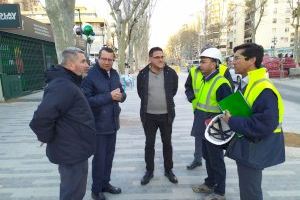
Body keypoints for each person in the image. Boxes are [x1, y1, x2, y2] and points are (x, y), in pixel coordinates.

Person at [29, 47, 96, 200]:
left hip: (75, 149)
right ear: (71, 65)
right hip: (71, 152)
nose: (87, 65)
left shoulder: (69, 82)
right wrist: (46, 137)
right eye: (83, 61)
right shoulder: (63, 85)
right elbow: (41, 119)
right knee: (72, 193)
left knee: (75, 191)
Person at [223, 43, 285, 200]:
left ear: (252, 60)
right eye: (232, 58)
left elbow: (264, 125)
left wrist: (232, 121)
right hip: (248, 146)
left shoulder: (264, 88)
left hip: (255, 147)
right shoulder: (248, 83)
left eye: (237, 58)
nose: (233, 62)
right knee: (247, 189)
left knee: (250, 192)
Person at [81, 47, 126, 200]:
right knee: (99, 159)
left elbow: (121, 92)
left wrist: (121, 96)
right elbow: (86, 101)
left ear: (114, 60)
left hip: (112, 123)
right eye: (104, 59)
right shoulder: (90, 76)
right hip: (98, 126)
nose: (107, 62)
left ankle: (106, 184)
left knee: (109, 157)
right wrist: (109, 96)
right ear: (98, 58)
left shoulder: (114, 73)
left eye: (110, 59)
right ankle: (96, 190)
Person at [189, 47, 232, 200]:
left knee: (216, 159)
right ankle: (210, 183)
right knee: (207, 156)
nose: (200, 64)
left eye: (204, 62)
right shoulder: (206, 79)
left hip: (214, 127)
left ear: (214, 64)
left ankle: (220, 192)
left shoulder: (221, 83)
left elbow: (229, 110)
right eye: (201, 61)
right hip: (202, 123)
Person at [137, 47, 178, 185]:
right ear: (150, 59)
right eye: (157, 57)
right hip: (149, 117)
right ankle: (149, 171)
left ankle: (169, 170)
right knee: (149, 144)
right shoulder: (142, 74)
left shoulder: (171, 73)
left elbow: (173, 91)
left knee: (167, 144)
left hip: (166, 116)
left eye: (162, 56)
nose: (161, 59)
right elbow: (140, 93)